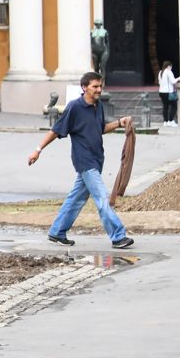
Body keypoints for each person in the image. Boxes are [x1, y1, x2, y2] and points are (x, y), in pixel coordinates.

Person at [30, 71, 135, 248]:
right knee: (102, 198)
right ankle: (118, 236)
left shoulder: (98, 106)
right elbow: (56, 130)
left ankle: (57, 231)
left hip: (97, 158)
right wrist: (37, 150)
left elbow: (100, 128)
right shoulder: (74, 107)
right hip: (85, 161)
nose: (99, 90)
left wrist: (119, 122)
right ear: (84, 87)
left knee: (77, 198)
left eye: (100, 86)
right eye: (95, 86)